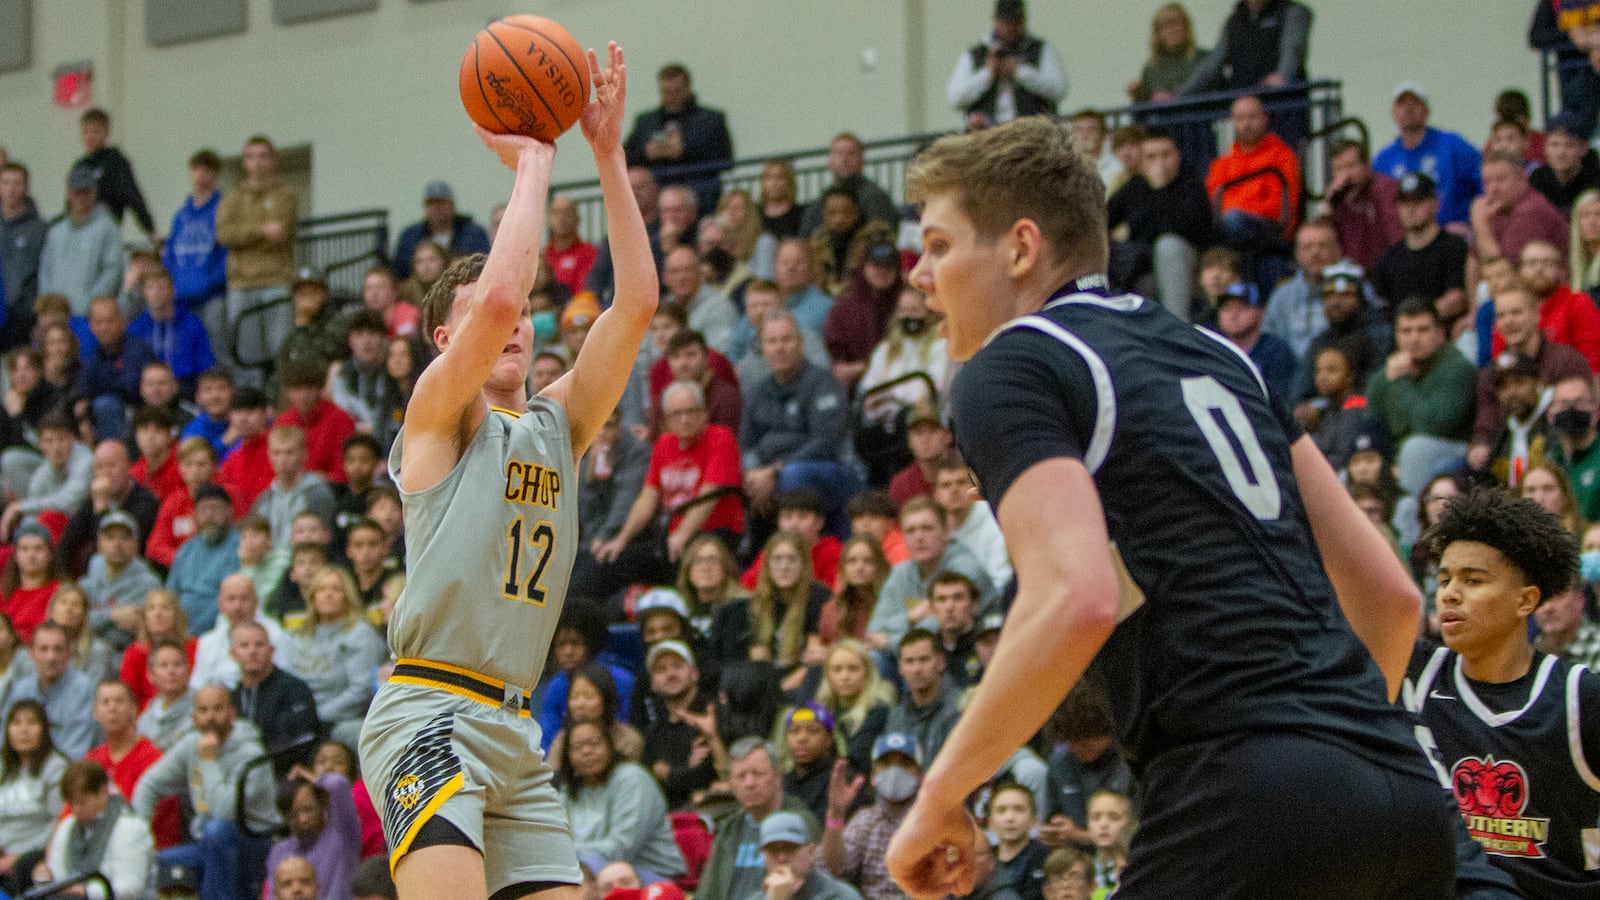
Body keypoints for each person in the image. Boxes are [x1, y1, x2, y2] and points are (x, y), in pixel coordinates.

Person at [885, 117, 1457, 898]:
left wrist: (940, 794)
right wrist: (1334, 762)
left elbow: (1075, 597)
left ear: (1020, 248)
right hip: (1402, 791)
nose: (920, 275)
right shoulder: (1219, 354)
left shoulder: (1012, 365)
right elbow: (1390, 600)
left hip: (1242, 790)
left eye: (939, 246)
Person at [357, 45, 653, 900]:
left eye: (528, 312)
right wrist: (534, 160)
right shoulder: (438, 415)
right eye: (497, 314)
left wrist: (607, 152)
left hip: (515, 727)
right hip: (429, 713)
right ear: (445, 342)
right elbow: (492, 296)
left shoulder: (561, 425)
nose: (514, 320)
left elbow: (636, 304)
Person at [1409, 488, 1600, 897]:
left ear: (1525, 600)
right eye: (1444, 579)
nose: (1450, 593)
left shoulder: (1580, 695)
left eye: (1472, 580)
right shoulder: (1416, 677)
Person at [133, 684, 279, 900]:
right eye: (203, 710)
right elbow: (148, 785)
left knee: (217, 830)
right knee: (152, 863)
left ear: (232, 714)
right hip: (206, 843)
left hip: (254, 843)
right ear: (194, 718)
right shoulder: (192, 744)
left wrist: (209, 761)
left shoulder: (251, 754)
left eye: (218, 709)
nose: (210, 717)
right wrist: (141, 836)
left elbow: (224, 812)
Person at [1366, 298, 1478, 495]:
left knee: (1416, 449)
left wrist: (1400, 382)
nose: (1414, 338)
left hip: (1453, 455)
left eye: (1423, 330)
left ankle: (1411, 510)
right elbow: (1373, 425)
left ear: (1440, 332)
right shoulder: (1386, 374)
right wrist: (1386, 465)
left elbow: (1431, 424)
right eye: (1406, 331)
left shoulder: (1457, 368)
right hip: (1402, 459)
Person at [559, 720, 686, 886]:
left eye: (594, 743)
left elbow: (622, 847)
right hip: (588, 866)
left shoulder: (633, 778)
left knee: (578, 874)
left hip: (650, 872)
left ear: (610, 745)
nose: (587, 751)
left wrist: (566, 853)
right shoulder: (568, 791)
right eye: (577, 747)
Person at [215, 136, 298, 382]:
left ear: (273, 160)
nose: (257, 162)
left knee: (281, 351)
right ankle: (250, 402)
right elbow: (224, 235)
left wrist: (244, 234)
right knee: (245, 355)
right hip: (241, 283)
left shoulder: (286, 195)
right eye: (251, 157)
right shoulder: (231, 198)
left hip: (277, 280)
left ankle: (278, 399)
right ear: (244, 162)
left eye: (263, 156)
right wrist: (263, 230)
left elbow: (281, 232)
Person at [1104, 130, 1211, 319]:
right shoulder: (1135, 186)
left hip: (1186, 262)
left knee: (1168, 244)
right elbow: (1104, 217)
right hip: (1143, 268)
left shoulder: (1191, 184)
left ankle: (1178, 327)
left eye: (1165, 155)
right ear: (1142, 161)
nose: (1159, 162)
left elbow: (1188, 227)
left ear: (1177, 156)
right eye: (1151, 157)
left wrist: (1159, 190)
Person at [866, 498, 996, 650]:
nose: (919, 537)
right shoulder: (901, 572)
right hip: (910, 653)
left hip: (970, 652)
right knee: (873, 657)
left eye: (927, 528)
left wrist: (889, 642)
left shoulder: (965, 569)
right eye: (911, 530)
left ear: (946, 531)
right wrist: (911, 617)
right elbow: (874, 628)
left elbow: (940, 630)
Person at [698, 738, 818, 900]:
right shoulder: (729, 829)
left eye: (758, 774)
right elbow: (707, 892)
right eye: (741, 776)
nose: (749, 783)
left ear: (777, 777)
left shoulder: (799, 823)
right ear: (732, 784)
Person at [283, 566, 385, 747]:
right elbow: (289, 682)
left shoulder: (360, 634)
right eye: (321, 589)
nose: (328, 595)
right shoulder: (300, 636)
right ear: (313, 597)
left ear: (347, 595)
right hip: (303, 717)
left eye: (336, 589)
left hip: (342, 720)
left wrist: (317, 716)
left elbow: (361, 690)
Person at [821, 731, 922, 900]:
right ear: (873, 776)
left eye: (904, 763)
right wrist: (835, 815)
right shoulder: (865, 821)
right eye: (886, 764)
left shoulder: (935, 821)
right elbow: (833, 869)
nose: (894, 771)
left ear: (920, 775)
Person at [623, 63, 734, 213]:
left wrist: (684, 150)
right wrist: (647, 152)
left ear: (687, 89)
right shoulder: (646, 121)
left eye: (676, 91)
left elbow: (726, 158)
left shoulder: (711, 120)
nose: (671, 97)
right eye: (666, 92)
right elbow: (624, 156)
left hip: (700, 195)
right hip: (656, 197)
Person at [36, 759, 154, 900]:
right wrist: (44, 878)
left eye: (82, 802)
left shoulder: (131, 828)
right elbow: (57, 874)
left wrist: (83, 891)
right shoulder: (67, 825)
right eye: (72, 803)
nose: (76, 809)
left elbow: (128, 888)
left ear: (103, 791)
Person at [1372, 83, 1483, 228]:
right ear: (1393, 112)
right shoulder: (1383, 160)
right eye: (1402, 104)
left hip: (1452, 231)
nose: (1408, 109)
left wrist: (1472, 225)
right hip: (1405, 236)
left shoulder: (1453, 146)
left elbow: (1484, 183)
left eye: (1415, 103)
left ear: (1426, 110)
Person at [1370, 172, 1470, 324]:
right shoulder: (1389, 257)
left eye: (1418, 201)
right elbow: (1382, 304)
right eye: (1404, 203)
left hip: (1445, 330)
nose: (1410, 209)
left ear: (1435, 203)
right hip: (1401, 333)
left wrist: (1418, 321)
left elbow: (1457, 299)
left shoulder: (1454, 247)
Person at [947, 1, 1066, 128]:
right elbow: (955, 99)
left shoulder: (1040, 50)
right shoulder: (974, 55)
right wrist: (987, 74)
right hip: (986, 133)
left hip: (1032, 131)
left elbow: (1059, 89)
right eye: (1006, 22)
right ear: (996, 21)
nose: (1011, 28)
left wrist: (1019, 71)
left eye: (1016, 22)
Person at [38, 165, 126, 317]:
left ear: (94, 193)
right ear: (68, 194)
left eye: (86, 192)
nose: (81, 197)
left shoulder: (107, 228)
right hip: (56, 315)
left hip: (89, 316)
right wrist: (48, 305)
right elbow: (45, 270)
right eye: (77, 192)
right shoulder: (56, 231)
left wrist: (91, 303)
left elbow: (113, 270)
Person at [0, 700, 68, 895]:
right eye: (16, 723)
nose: (24, 730)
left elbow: (58, 823)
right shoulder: (2, 766)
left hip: (35, 854)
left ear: (44, 730)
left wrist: (17, 857)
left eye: (31, 722)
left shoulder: (56, 767)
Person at [231, 621, 321, 768]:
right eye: (244, 646)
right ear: (233, 654)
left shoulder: (294, 689)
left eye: (259, 645)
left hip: (286, 768)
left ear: (271, 651)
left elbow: (301, 738)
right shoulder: (232, 696)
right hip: (243, 768)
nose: (252, 651)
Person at [163, 150, 229, 348]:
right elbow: (170, 252)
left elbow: (227, 250)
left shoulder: (223, 209)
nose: (200, 175)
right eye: (196, 170)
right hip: (181, 295)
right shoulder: (181, 215)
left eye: (206, 170)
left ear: (215, 174)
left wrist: (211, 281)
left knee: (215, 346)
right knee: (184, 346)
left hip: (212, 295)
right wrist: (171, 282)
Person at [264, 768, 362, 900]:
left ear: (321, 804)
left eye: (308, 809)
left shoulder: (343, 837)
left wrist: (312, 778)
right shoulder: (279, 851)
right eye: (293, 814)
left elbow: (338, 784)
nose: (302, 819)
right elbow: (272, 896)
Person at [1178, 0, 1312, 95]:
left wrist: (1282, 76)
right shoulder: (1235, 21)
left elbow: (1293, 49)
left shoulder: (1292, 12)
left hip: (1283, 103)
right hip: (1248, 105)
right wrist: (1179, 94)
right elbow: (1212, 63)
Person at [10, 621, 100, 756]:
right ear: (31, 653)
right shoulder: (20, 690)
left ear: (69, 654)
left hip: (66, 766)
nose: (51, 657)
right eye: (44, 649)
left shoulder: (83, 689)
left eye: (58, 649)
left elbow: (75, 752)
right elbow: (6, 743)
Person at [1471, 151, 1570, 266]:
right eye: (1487, 182)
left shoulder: (1532, 210)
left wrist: (1481, 224)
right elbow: (1474, 260)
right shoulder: (1498, 209)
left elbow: (1504, 269)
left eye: (1500, 179)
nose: (1493, 189)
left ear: (1522, 178)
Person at [1324, 140, 1403, 271]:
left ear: (1367, 165)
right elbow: (1325, 242)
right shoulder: (1337, 198)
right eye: (1338, 169)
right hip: (1349, 272)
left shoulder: (1384, 189)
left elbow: (1396, 237)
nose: (1345, 175)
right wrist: (1328, 205)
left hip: (1385, 270)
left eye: (1351, 166)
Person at [391, 182, 491, 281]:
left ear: (452, 205)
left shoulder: (473, 233)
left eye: (442, 203)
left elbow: (484, 264)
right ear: (425, 207)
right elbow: (400, 273)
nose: (437, 208)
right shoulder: (411, 235)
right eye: (432, 204)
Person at [0, 162, 48, 348]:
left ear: (26, 187)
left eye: (17, 183)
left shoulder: (39, 229)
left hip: (23, 317)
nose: (11, 189)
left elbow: (44, 271)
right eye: (6, 183)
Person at [1127, 4, 1208, 102]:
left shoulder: (1204, 59)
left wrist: (1175, 97)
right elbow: (1144, 109)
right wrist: (1137, 96)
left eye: (1177, 24)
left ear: (1187, 27)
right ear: (1157, 33)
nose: (1172, 30)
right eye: (1166, 26)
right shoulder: (1151, 69)